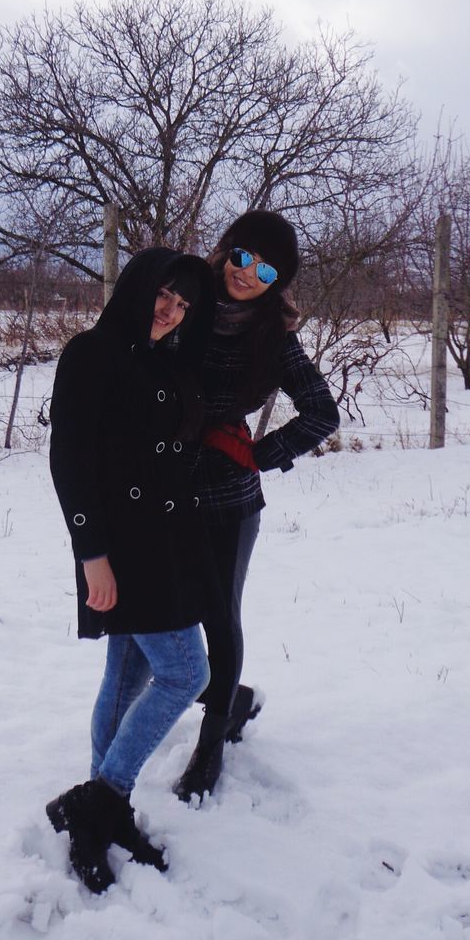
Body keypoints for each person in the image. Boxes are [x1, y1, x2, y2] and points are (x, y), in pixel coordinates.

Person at [46, 246, 217, 893]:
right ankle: (103, 801)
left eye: (183, 306)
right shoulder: (90, 354)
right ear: (138, 289)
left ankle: (98, 812)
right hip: (121, 550)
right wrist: (92, 556)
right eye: (163, 297)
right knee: (185, 671)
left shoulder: (162, 362)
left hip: (165, 544)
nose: (171, 313)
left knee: (127, 676)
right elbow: (70, 461)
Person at [173, 211, 340, 802]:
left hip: (227, 499)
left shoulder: (273, 336)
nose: (248, 273)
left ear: (278, 281)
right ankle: (231, 694)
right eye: (243, 256)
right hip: (162, 487)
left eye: (266, 269)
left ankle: (211, 743)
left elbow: (322, 412)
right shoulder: (181, 297)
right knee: (160, 618)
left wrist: (258, 456)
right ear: (227, 249)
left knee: (220, 620)